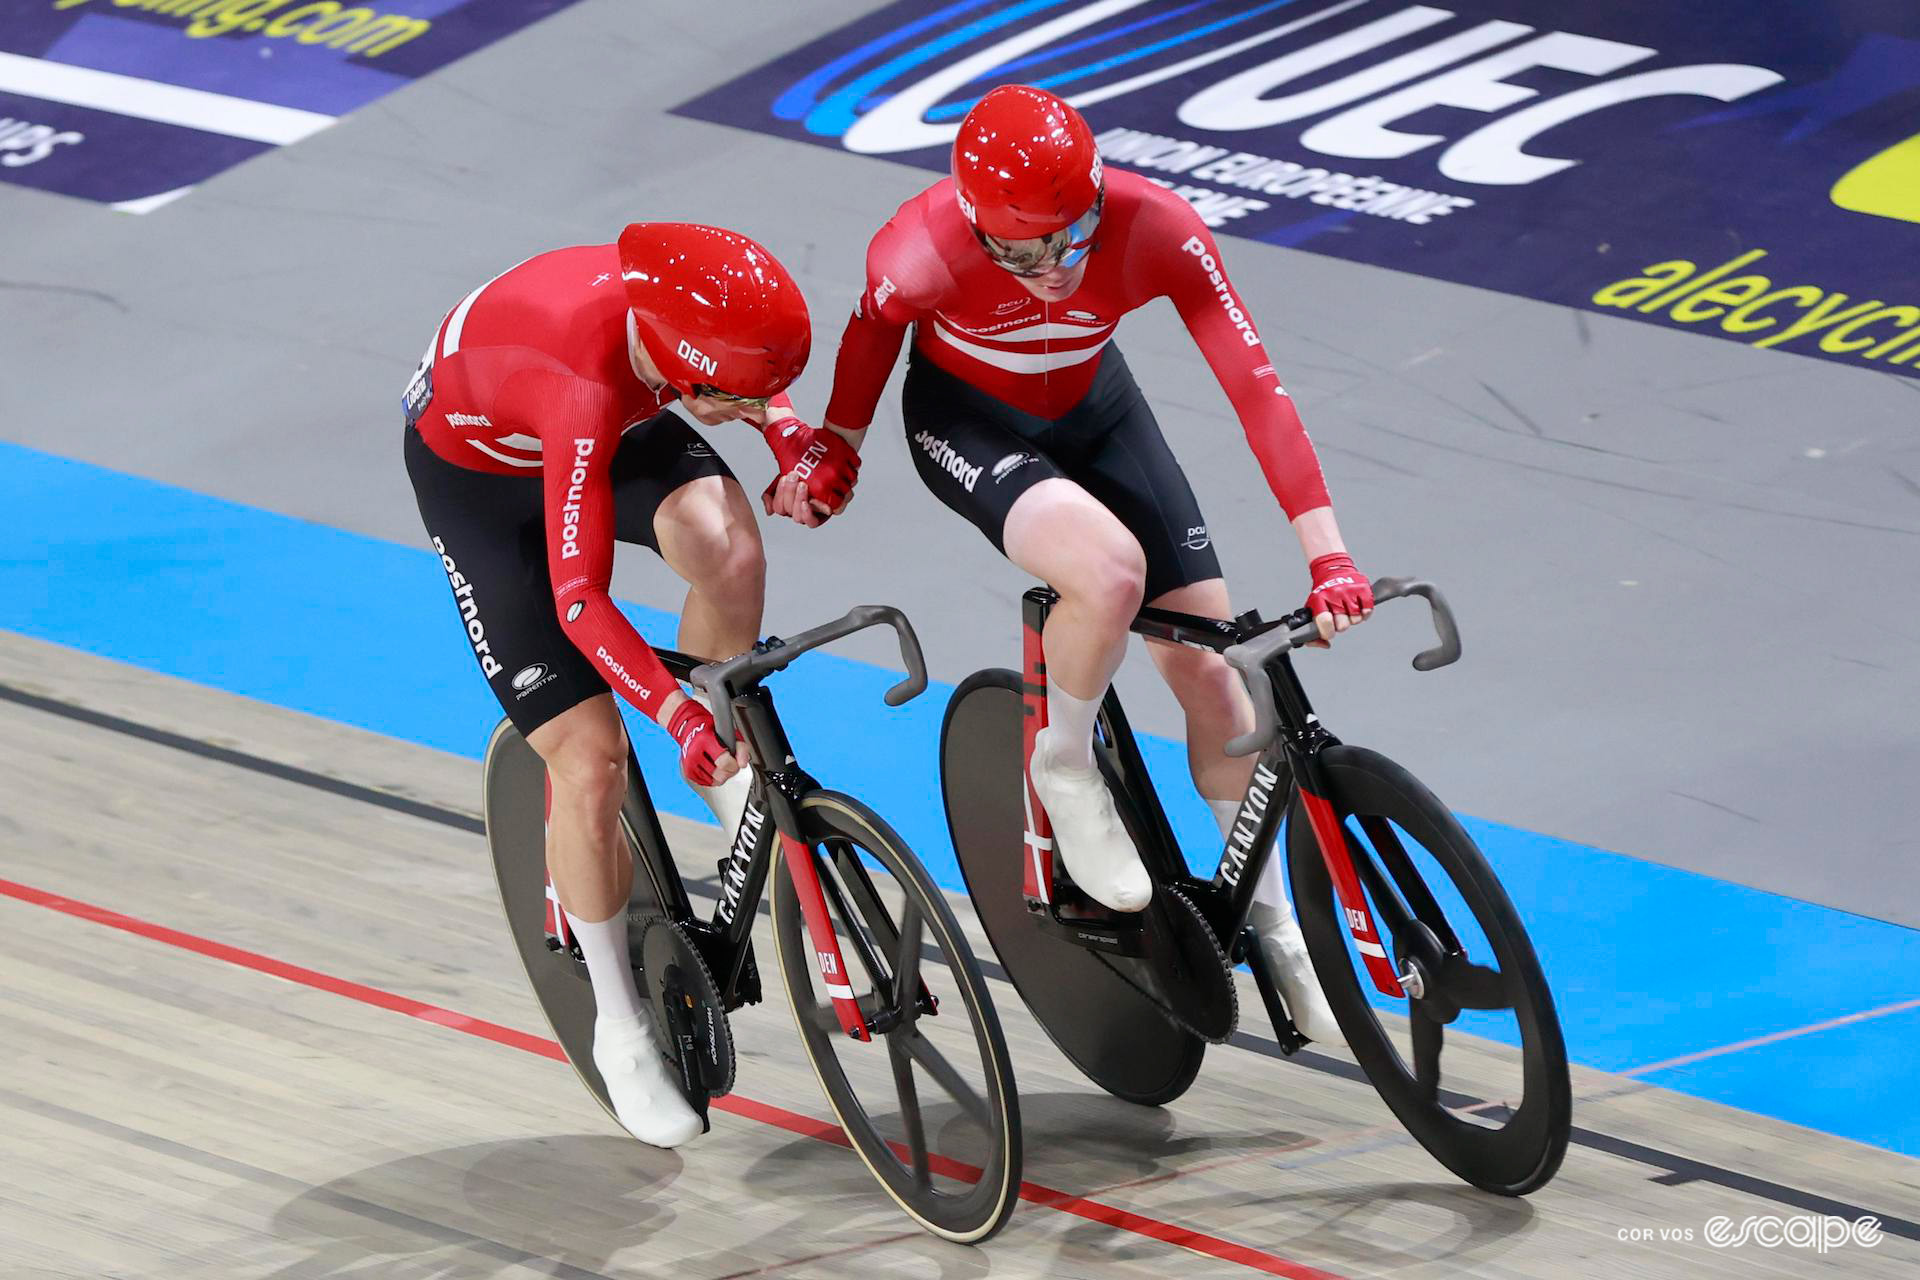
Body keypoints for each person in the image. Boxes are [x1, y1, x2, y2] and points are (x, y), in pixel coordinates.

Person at [790, 85, 1370, 1046]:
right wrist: (838, 446)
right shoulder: (920, 248)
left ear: (1102, 195)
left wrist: (1330, 553)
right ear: (978, 229)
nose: (1055, 269)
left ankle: (1275, 927)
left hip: (1101, 413)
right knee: (1107, 574)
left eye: (1074, 236)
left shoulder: (1161, 228)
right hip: (969, 424)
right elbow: (870, 339)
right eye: (1023, 254)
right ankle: (1064, 764)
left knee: (1216, 684)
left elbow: (1255, 387)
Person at [402, 223, 858, 1145]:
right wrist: (670, 706)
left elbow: (752, 375)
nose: (748, 405)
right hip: (487, 486)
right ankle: (616, 1020)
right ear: (682, 368)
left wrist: (794, 437)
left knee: (727, 549)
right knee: (592, 758)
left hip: (613, 420)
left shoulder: (681, 308)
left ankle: (715, 772)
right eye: (733, 398)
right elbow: (579, 603)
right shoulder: (581, 382)